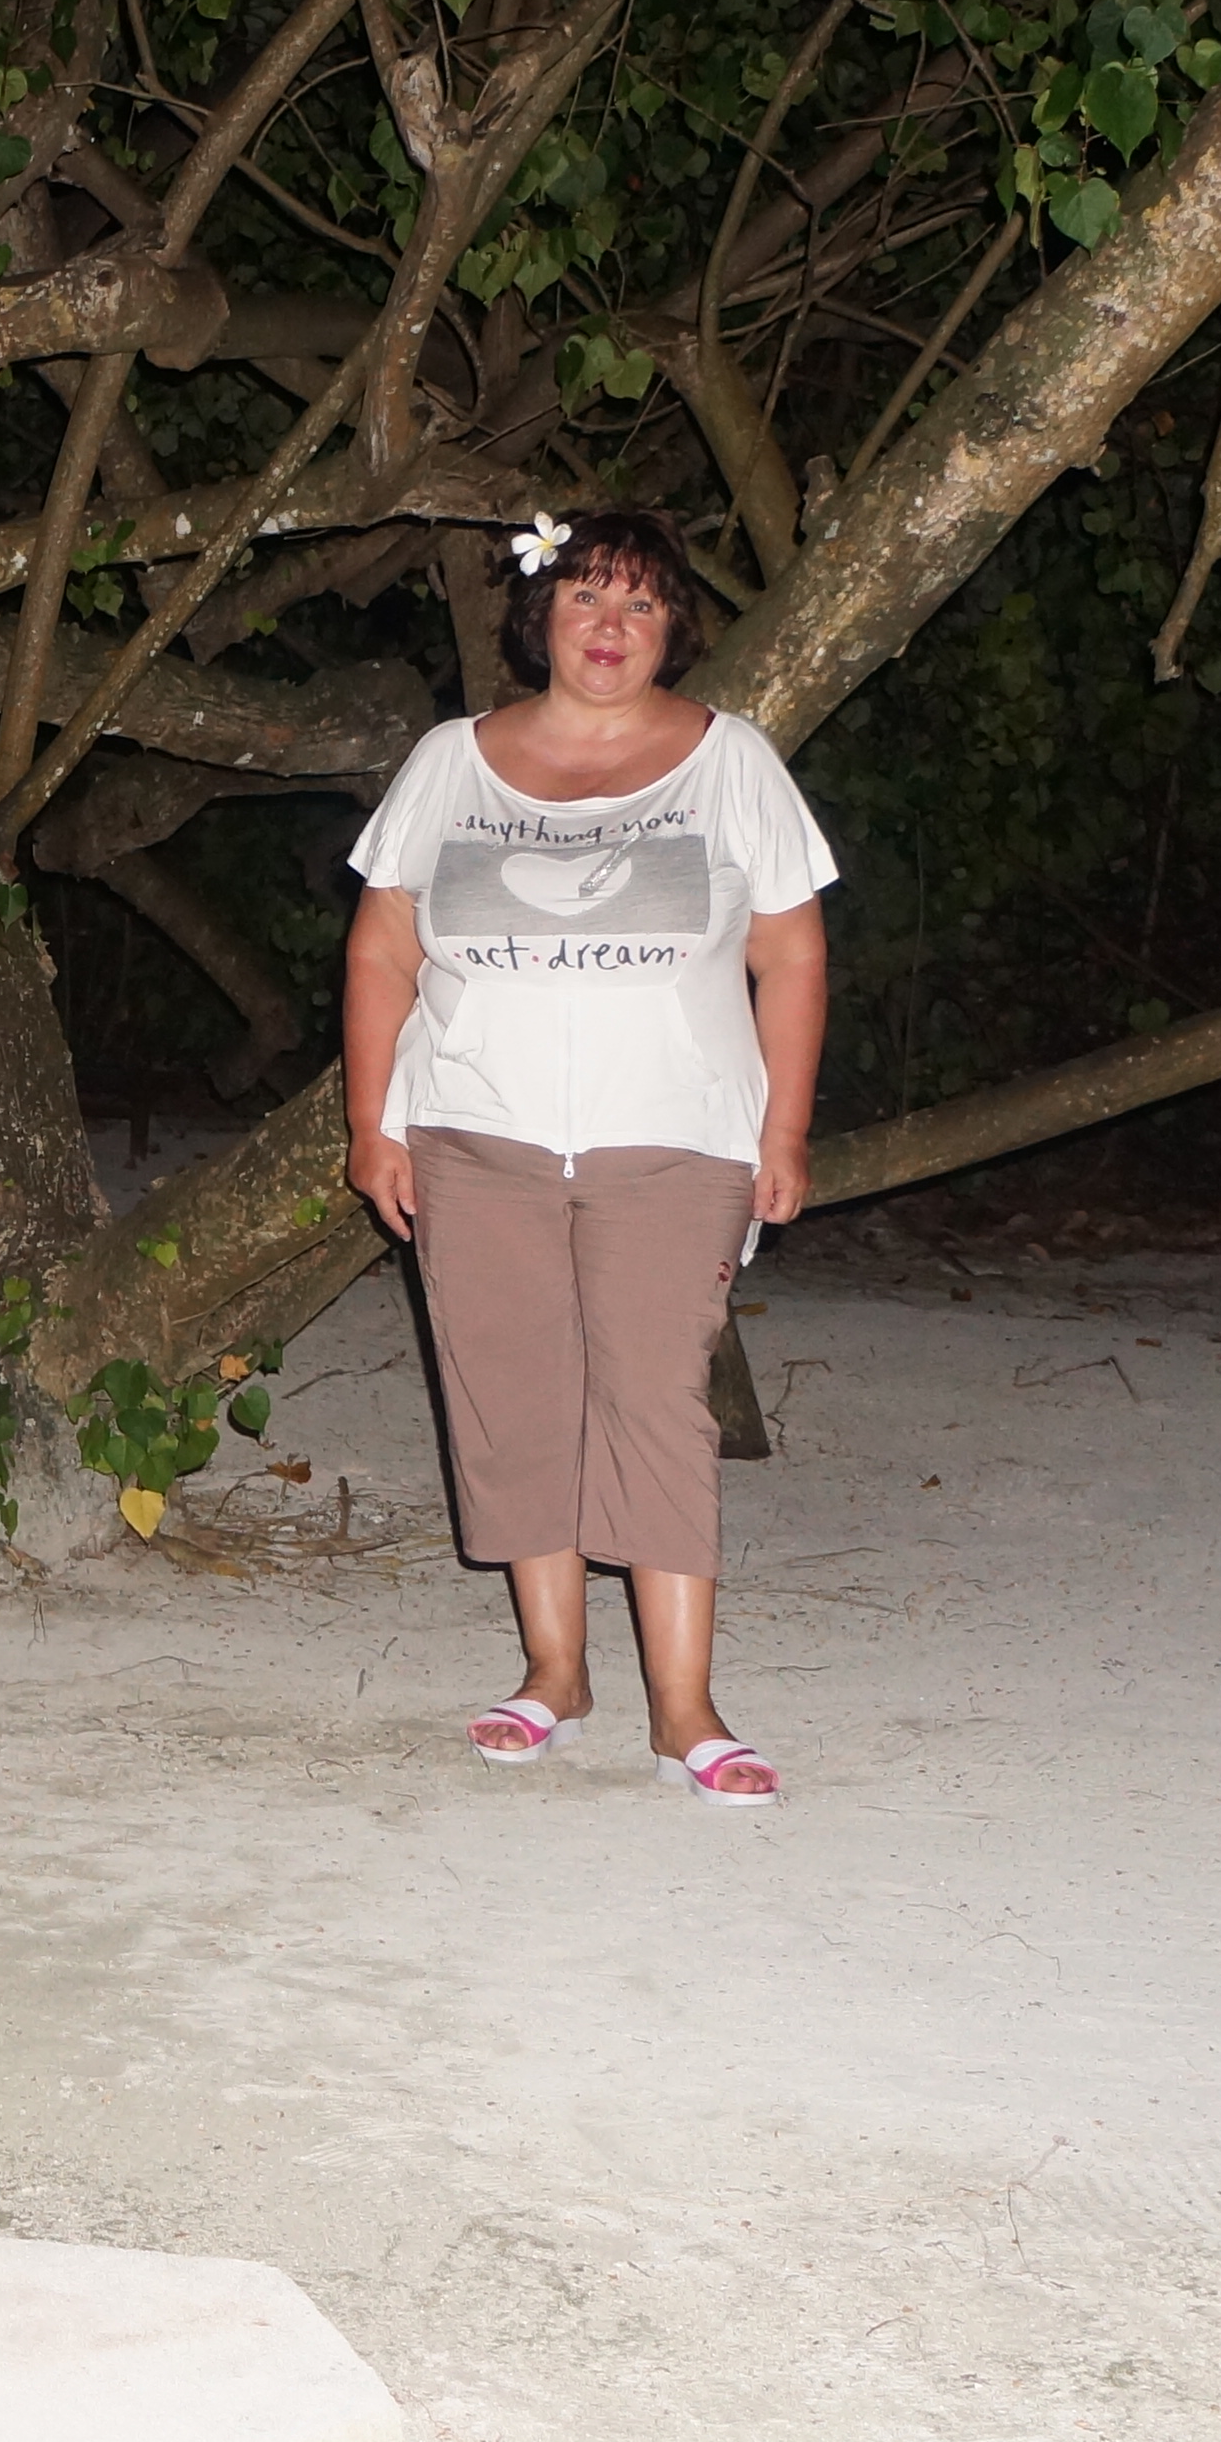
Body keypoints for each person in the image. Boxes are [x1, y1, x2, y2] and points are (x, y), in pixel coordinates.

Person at [341, 506, 833, 1804]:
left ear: (672, 629)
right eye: (585, 597)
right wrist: (371, 1124)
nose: (609, 626)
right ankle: (553, 1673)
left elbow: (790, 953)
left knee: (657, 1399)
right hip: (474, 1129)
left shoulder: (732, 763)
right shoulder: (450, 762)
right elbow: (383, 949)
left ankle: (686, 1708)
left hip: (674, 1135)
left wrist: (784, 1130)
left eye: (639, 603)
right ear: (541, 615)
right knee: (513, 1394)